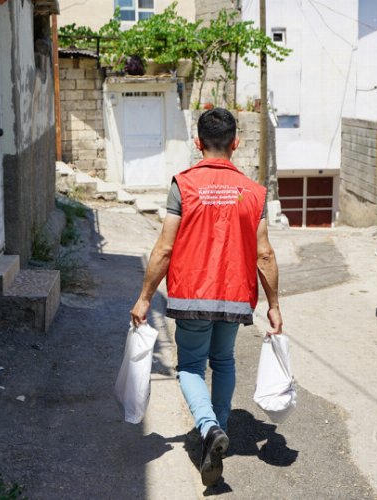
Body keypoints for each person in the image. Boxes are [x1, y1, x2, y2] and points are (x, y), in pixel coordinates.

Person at [130, 107, 282, 487]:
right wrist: (275, 306)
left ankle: (210, 428)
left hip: (192, 295)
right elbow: (264, 253)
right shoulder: (255, 192)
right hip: (235, 296)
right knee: (224, 360)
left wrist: (145, 297)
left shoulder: (183, 184)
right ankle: (220, 429)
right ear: (236, 143)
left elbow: (165, 248)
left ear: (198, 143)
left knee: (191, 368)